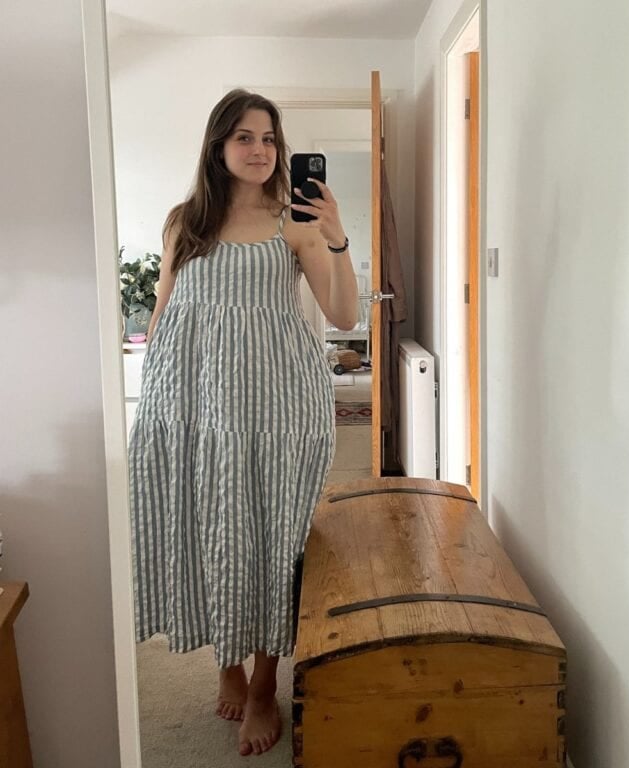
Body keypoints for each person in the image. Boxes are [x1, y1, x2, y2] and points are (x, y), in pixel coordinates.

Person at [128, 88, 358, 757]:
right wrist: (156, 406)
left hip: (275, 410)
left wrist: (337, 235)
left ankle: (263, 684)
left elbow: (343, 314)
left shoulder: (296, 221)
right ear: (218, 146)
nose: (260, 150)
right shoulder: (183, 223)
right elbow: (165, 313)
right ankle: (224, 659)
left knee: (271, 542)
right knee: (207, 532)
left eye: (269, 138)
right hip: (194, 409)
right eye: (245, 138)